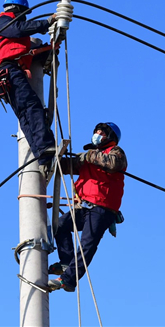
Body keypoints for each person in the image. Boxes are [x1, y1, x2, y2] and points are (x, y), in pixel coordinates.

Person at [48, 122, 128, 292]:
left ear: (111, 137)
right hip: (84, 207)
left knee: (87, 245)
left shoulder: (115, 153)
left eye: (102, 132)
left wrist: (88, 155)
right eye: (96, 131)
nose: (98, 134)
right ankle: (66, 262)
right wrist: (50, 160)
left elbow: (113, 163)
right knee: (59, 225)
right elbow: (67, 166)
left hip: (101, 208)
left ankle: (68, 279)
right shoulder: (88, 159)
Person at [0, 0, 57, 168]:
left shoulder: (9, 40)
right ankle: (46, 146)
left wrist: (49, 49)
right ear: (18, 10)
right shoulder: (4, 21)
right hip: (9, 72)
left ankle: (42, 156)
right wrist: (46, 23)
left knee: (25, 115)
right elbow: (18, 29)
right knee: (32, 107)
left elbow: (27, 49)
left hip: (5, 75)